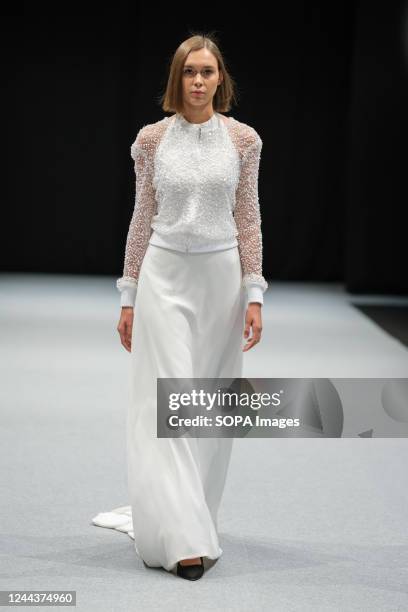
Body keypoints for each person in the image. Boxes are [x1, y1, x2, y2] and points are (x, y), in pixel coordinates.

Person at [91, 33, 268, 581]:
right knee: (164, 400)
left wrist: (254, 292)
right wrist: (128, 294)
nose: (198, 81)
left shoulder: (243, 140)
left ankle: (193, 515)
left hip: (221, 281)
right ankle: (184, 540)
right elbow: (142, 217)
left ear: (221, 79)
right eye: (189, 71)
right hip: (164, 276)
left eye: (207, 72)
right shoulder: (150, 140)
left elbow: (248, 217)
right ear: (177, 78)